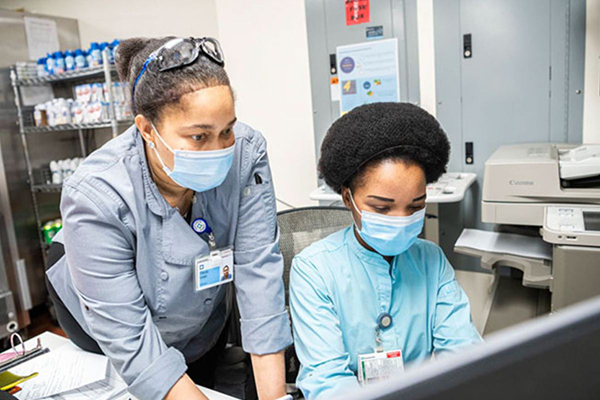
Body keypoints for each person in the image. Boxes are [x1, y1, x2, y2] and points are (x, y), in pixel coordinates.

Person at [45, 37, 292, 400]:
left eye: (227, 131)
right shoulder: (96, 193)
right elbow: (127, 335)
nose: (220, 148)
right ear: (147, 129)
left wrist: (277, 397)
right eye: (199, 136)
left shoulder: (247, 152)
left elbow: (258, 271)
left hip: (196, 301)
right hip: (103, 305)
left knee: (200, 370)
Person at [289, 102, 483, 400]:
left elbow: (463, 354)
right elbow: (327, 379)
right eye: (382, 208)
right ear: (347, 198)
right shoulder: (314, 270)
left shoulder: (431, 261)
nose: (402, 220)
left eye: (415, 206)